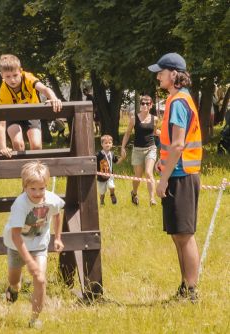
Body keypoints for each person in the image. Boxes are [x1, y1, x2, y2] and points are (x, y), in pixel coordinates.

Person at [149, 53, 202, 302]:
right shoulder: (175, 99)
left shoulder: (179, 101)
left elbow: (179, 145)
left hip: (181, 176)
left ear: (173, 74)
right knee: (177, 234)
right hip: (175, 173)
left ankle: (192, 291)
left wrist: (162, 179)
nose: (157, 76)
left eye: (160, 72)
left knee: (185, 234)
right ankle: (184, 286)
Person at [3, 161, 64, 328]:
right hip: (17, 247)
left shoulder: (51, 199)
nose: (38, 193)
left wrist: (57, 238)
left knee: (40, 278)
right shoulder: (20, 205)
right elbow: (16, 235)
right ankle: (14, 289)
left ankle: (34, 318)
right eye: (33, 189)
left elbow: (57, 214)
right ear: (24, 187)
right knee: (14, 280)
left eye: (42, 188)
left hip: (39, 245)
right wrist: (29, 261)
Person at [0, 54, 62, 158]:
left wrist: (53, 98)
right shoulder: (4, 90)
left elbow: (45, 89)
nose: (12, 80)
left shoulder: (27, 77)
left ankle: (36, 170)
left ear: (20, 71)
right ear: (2, 75)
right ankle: (24, 168)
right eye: (8, 76)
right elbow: (1, 123)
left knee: (36, 145)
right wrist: (3, 147)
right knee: (18, 143)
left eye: (15, 75)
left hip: (31, 113)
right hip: (13, 117)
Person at [121, 95, 159, 206]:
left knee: (148, 172)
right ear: (140, 105)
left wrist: (169, 137)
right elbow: (127, 133)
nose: (145, 105)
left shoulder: (155, 119)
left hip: (151, 149)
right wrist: (123, 147)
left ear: (151, 105)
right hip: (137, 150)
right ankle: (134, 193)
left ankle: (152, 199)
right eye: (143, 103)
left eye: (147, 103)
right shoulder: (134, 119)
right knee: (138, 176)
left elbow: (155, 132)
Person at [96, 134, 124, 205]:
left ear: (112, 144)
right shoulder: (99, 154)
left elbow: (116, 162)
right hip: (101, 177)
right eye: (105, 143)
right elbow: (94, 164)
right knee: (102, 192)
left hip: (110, 176)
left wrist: (122, 158)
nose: (107, 144)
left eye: (109, 143)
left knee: (112, 186)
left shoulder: (112, 154)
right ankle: (102, 200)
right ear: (102, 144)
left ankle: (112, 195)